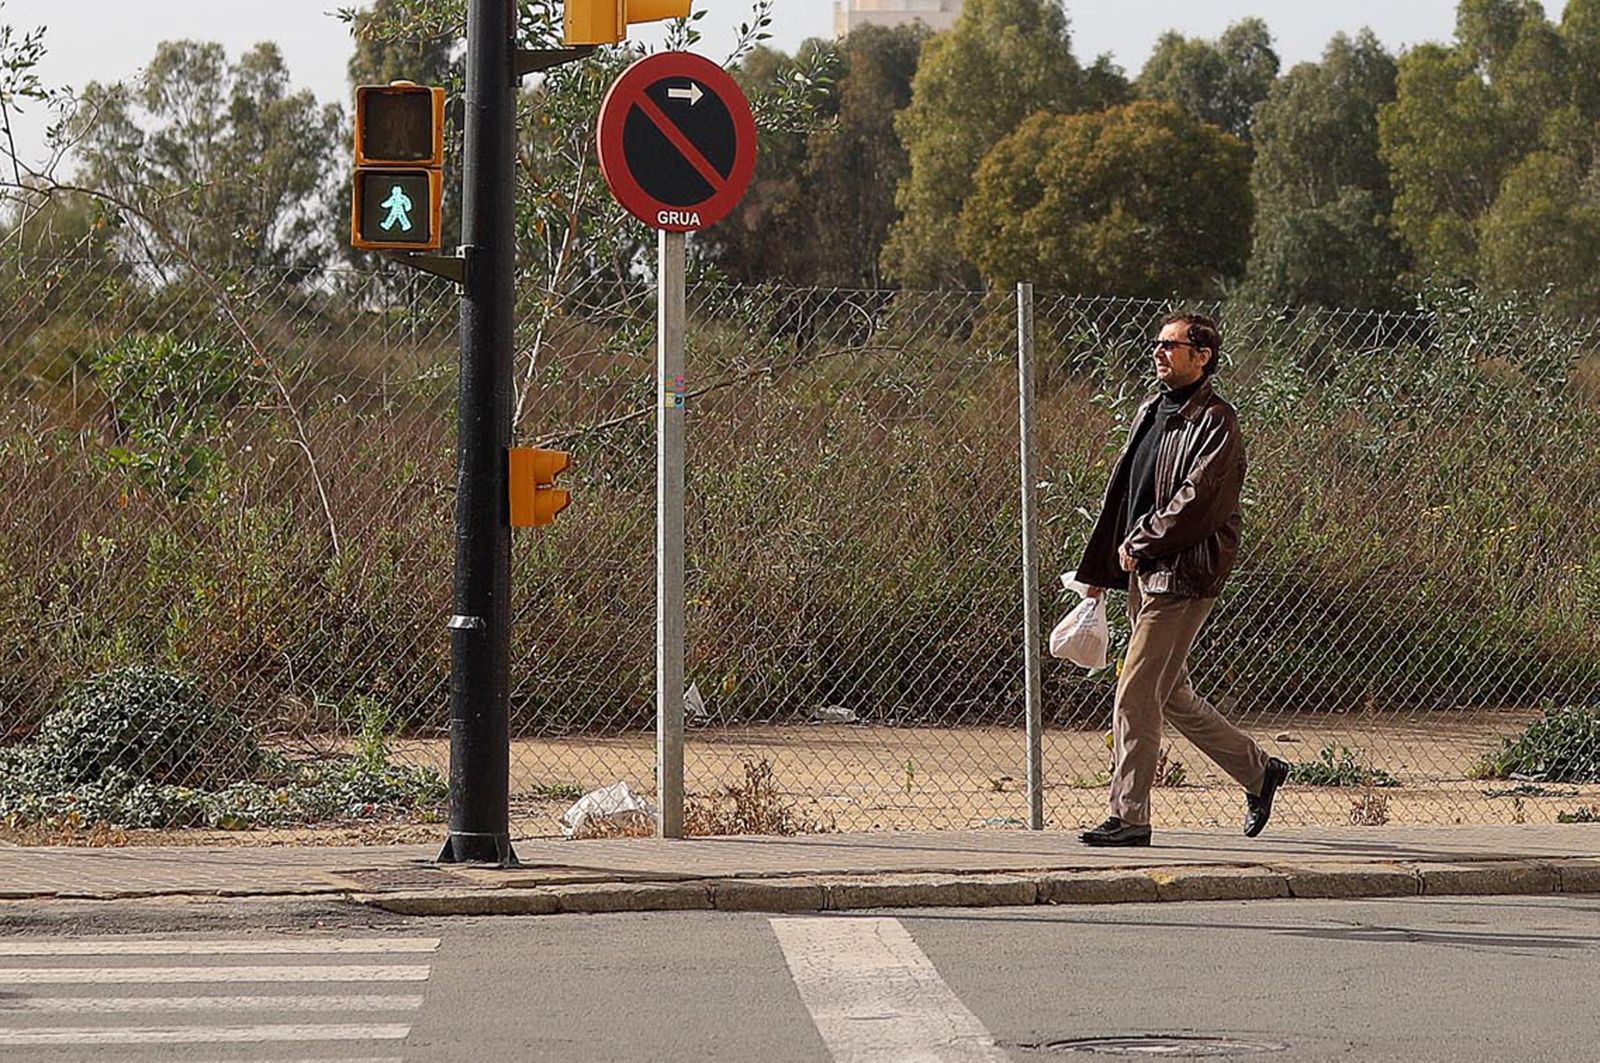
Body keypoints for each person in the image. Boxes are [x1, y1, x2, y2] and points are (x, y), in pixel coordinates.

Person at [1072, 312, 1288, 847]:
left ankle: (1130, 817)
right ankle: (1260, 773)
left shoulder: (1216, 421)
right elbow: (1124, 497)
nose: (1159, 352)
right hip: (1142, 569)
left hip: (1184, 575)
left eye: (1171, 345)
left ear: (1202, 355)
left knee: (1135, 691)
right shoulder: (1151, 410)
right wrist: (1103, 569)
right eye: (1157, 344)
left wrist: (1139, 544)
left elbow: (1197, 505)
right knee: (1170, 696)